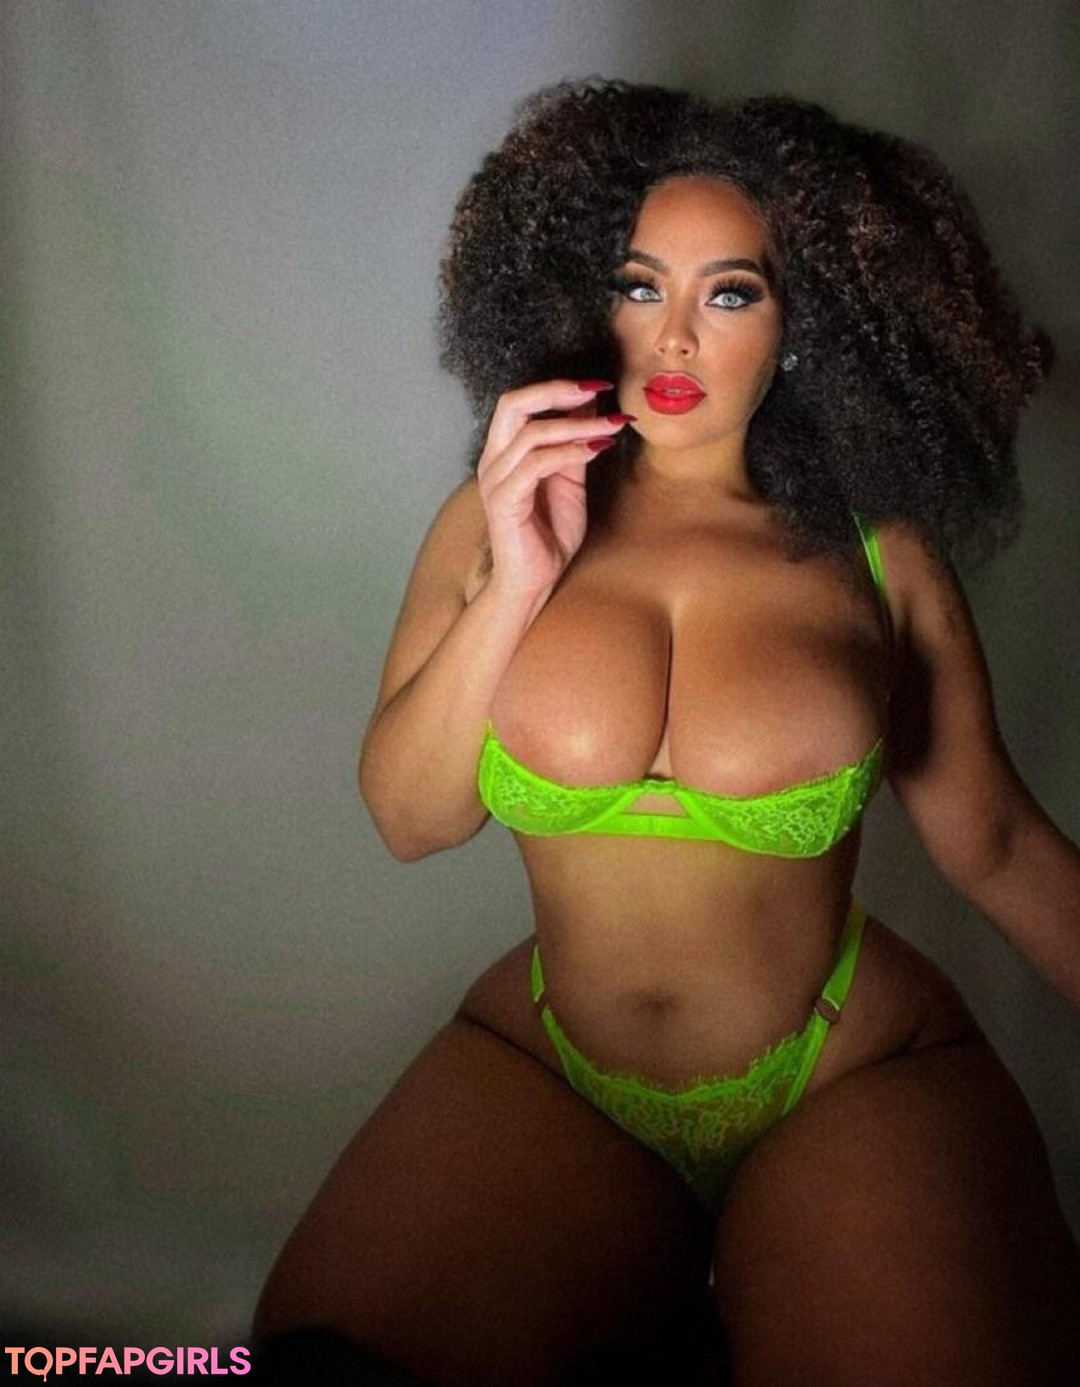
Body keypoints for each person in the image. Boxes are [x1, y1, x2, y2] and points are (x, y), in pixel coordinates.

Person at [252, 81, 1080, 1385]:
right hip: (553, 1070)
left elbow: (996, 842)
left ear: (807, 323)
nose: (677, 335)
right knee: (316, 1362)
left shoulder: (878, 552)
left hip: (848, 1071)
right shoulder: (492, 520)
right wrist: (519, 581)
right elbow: (412, 820)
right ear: (583, 298)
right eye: (641, 285)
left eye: (731, 293)